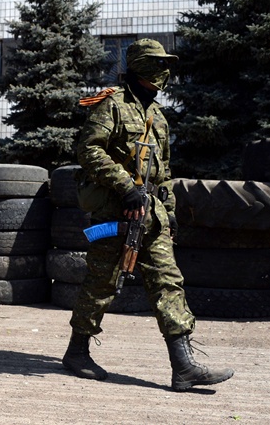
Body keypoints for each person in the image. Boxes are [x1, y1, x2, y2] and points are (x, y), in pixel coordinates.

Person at [64, 39, 233, 392]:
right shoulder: (112, 104)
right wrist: (125, 185)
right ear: (140, 66)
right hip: (115, 212)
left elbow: (164, 173)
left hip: (151, 216)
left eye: (167, 64)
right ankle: (77, 352)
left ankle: (183, 366)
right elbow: (88, 149)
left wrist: (168, 216)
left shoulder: (159, 118)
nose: (165, 71)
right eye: (158, 64)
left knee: (168, 281)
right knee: (101, 283)